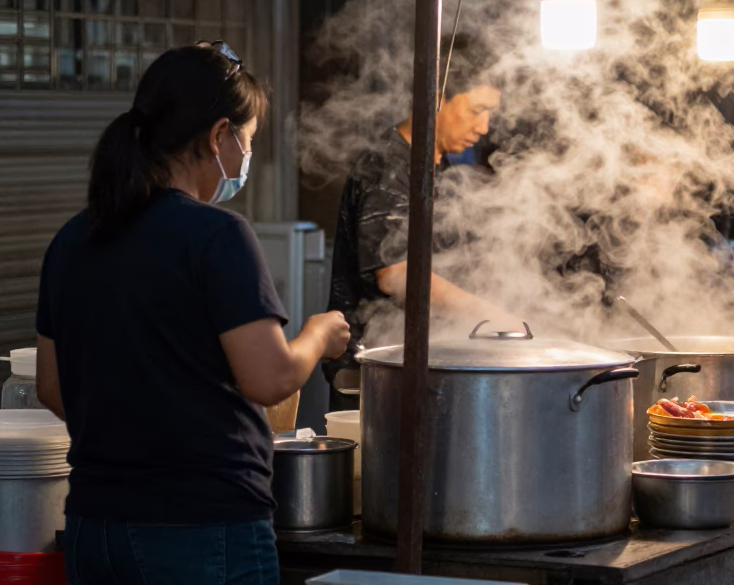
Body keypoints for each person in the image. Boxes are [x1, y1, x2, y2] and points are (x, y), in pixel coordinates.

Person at [34, 43, 351, 584]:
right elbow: (270, 377)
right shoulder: (217, 236)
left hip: (95, 528)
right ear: (219, 135)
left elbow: (52, 387)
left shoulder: (75, 237)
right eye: (247, 141)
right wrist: (319, 334)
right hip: (201, 529)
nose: (247, 156)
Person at [325, 51, 514, 403]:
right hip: (378, 377)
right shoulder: (390, 164)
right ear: (435, 99)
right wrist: (492, 316)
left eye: (490, 113)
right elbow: (395, 272)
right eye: (475, 110)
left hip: (416, 371)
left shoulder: (432, 165)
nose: (484, 126)